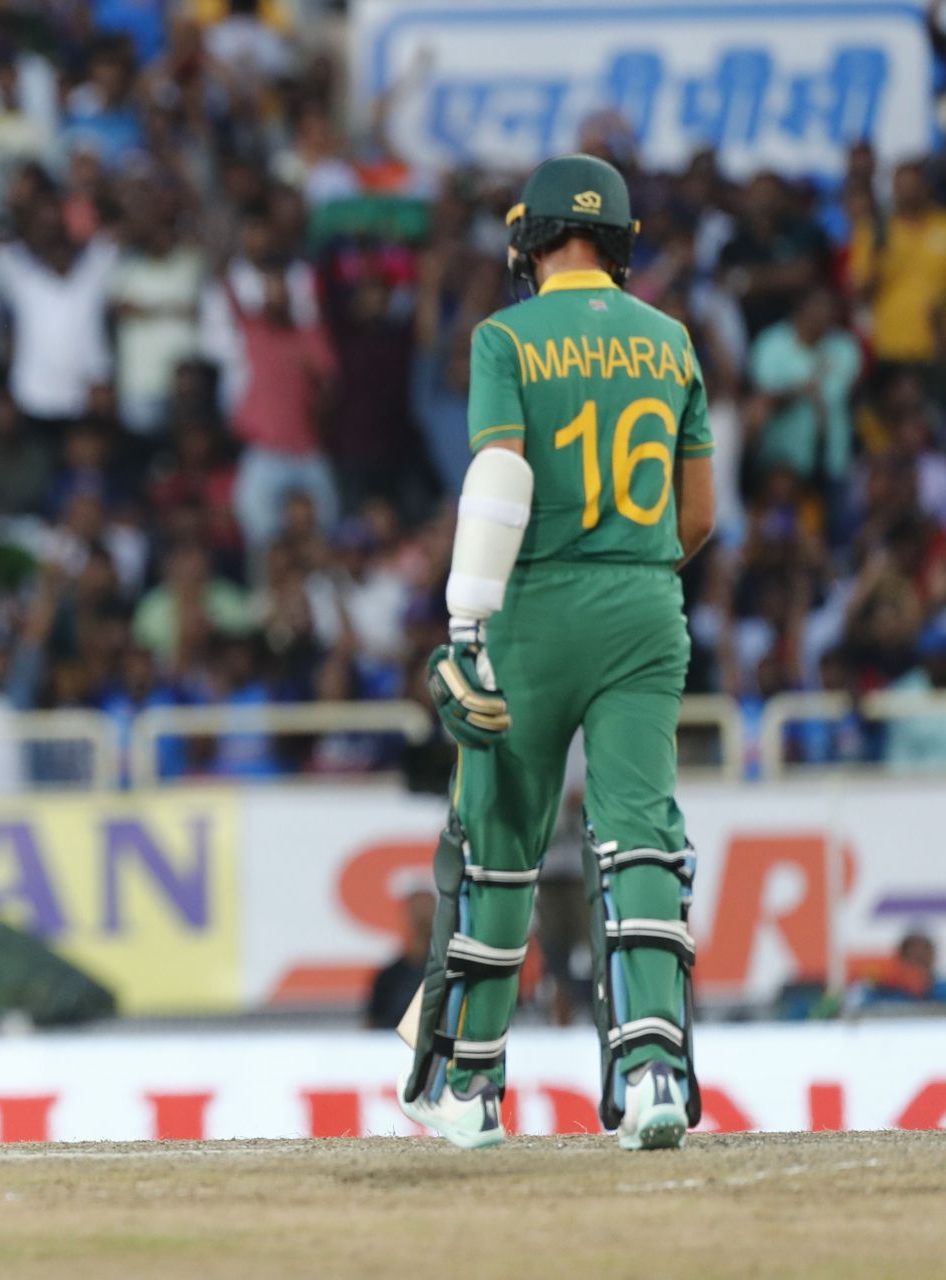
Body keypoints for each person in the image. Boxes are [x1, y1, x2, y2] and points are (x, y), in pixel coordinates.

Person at [400, 155, 717, 1152]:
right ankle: (653, 1069)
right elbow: (697, 515)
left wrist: (466, 622)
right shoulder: (671, 340)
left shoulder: (505, 336)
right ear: (620, 242)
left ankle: (471, 1089)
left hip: (530, 601)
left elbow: (500, 469)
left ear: (528, 239)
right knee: (639, 836)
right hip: (644, 603)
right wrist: (626, 570)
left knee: (496, 846)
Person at [365, 891, 434, 1031]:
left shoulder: (451, 971)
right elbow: (373, 1027)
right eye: (417, 912)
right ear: (406, 916)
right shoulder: (388, 977)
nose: (423, 919)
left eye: (428, 911)